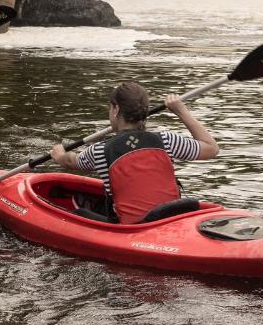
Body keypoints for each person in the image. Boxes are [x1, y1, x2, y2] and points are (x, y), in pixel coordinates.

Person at [50, 81, 219, 224]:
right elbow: (212, 148)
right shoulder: (167, 141)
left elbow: (71, 161)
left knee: (79, 214)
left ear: (116, 110)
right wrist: (181, 111)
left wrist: (60, 154)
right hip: (171, 220)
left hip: (134, 229)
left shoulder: (100, 150)